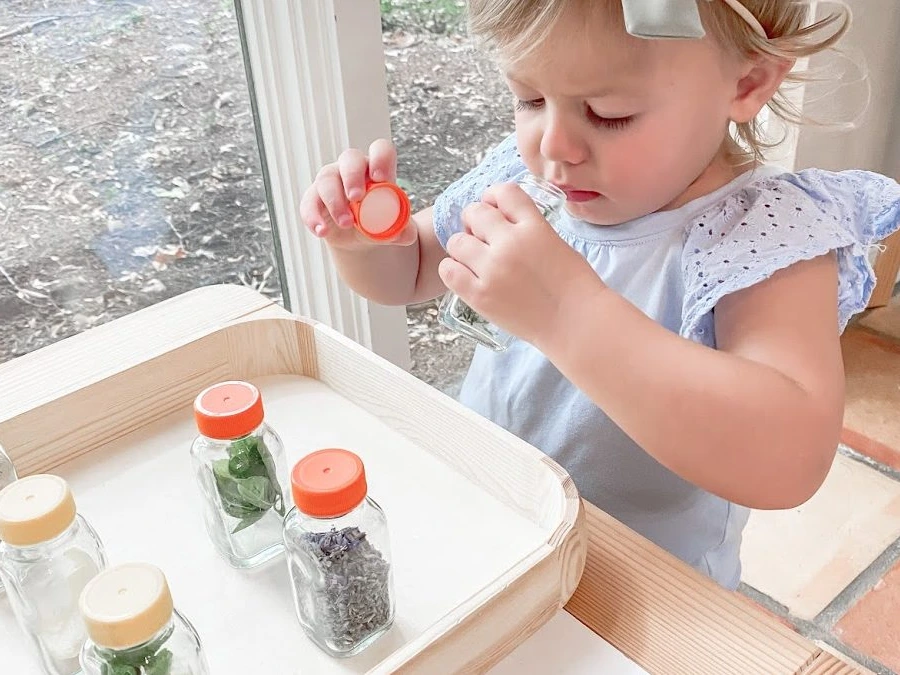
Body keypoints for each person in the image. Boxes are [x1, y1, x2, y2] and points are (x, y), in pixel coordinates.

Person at [299, 0, 900, 589]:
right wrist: (363, 244)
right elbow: (410, 272)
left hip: (638, 591)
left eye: (609, 113)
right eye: (529, 99)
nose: (554, 145)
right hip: (494, 526)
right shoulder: (526, 179)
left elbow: (789, 460)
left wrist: (567, 315)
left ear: (746, 82)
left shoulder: (763, 231)